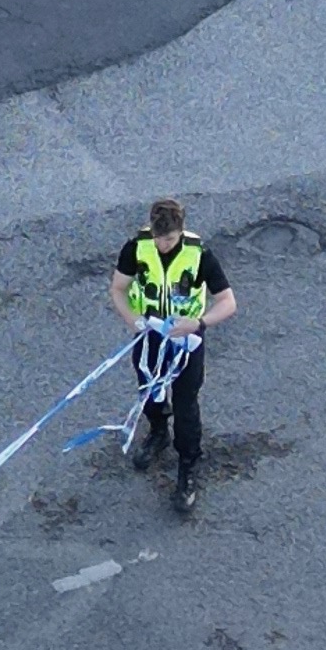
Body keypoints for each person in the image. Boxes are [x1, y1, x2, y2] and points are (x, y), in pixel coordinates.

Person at [111, 195, 236, 517]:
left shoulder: (199, 255)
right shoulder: (137, 248)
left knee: (186, 405)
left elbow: (227, 302)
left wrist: (199, 322)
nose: (162, 245)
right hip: (150, 337)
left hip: (186, 342)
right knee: (150, 392)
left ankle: (187, 468)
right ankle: (157, 433)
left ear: (180, 231)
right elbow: (118, 289)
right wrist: (133, 322)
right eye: (158, 238)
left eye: (168, 239)